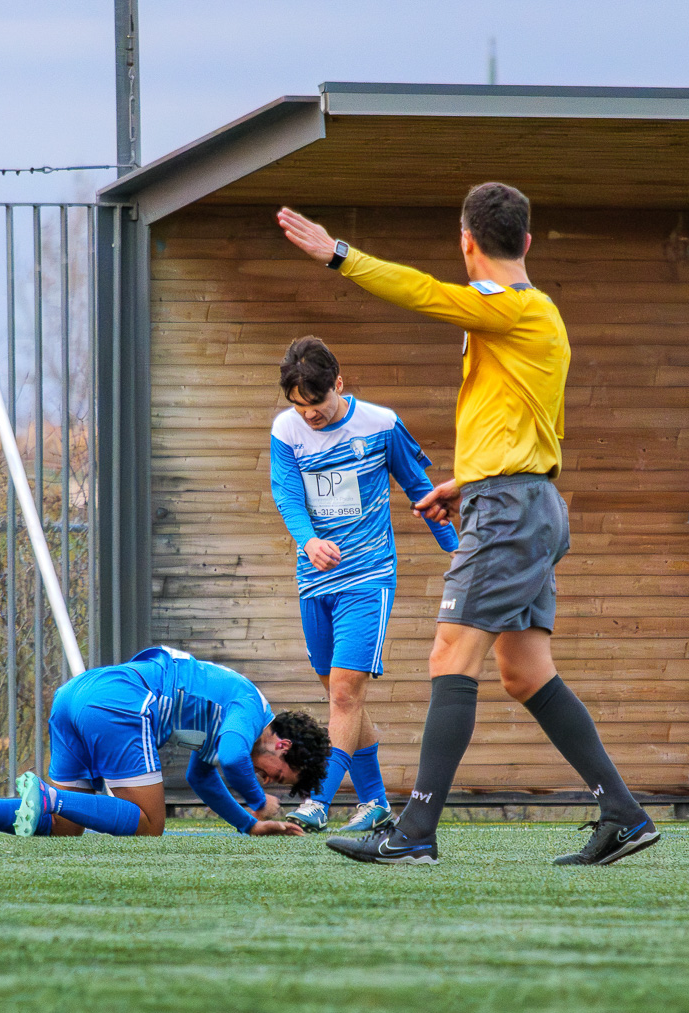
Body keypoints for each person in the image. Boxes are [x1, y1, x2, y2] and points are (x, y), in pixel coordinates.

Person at [277, 184, 660, 866]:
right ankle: (623, 812)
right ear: (529, 241)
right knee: (524, 669)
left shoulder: (506, 305)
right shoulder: (535, 317)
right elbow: (528, 421)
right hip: (522, 502)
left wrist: (339, 253)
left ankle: (414, 832)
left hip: (512, 513)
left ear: (466, 241)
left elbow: (424, 292)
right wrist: (467, 482)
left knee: (450, 656)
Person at [269, 336, 458, 835]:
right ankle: (374, 802)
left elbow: (421, 490)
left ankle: (317, 801)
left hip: (369, 577)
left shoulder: (381, 424)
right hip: (315, 578)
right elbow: (287, 493)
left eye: (318, 404)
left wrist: (459, 549)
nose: (309, 415)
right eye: (299, 406)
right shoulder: (286, 431)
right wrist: (308, 541)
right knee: (340, 695)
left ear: (339, 384)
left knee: (346, 695)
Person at [0, 645, 326, 839]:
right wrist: (258, 802)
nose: (269, 782)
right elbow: (232, 757)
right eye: (279, 777)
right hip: (118, 703)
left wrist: (248, 824)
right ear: (283, 746)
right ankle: (46, 798)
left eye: (272, 786)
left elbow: (204, 778)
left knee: (65, 825)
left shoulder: (237, 723)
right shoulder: (251, 709)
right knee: (149, 825)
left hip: (78, 695)